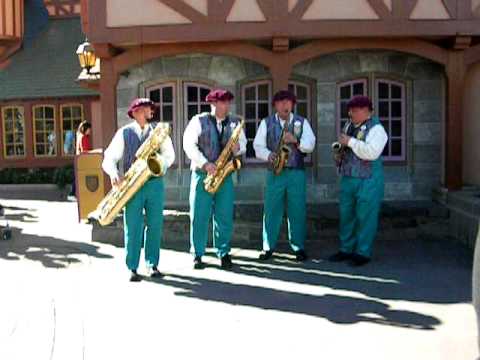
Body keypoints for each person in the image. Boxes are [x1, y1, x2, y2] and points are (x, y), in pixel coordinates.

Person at [102, 98, 175, 281]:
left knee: (155, 225)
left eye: (150, 109)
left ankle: (152, 264)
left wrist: (160, 165)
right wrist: (113, 174)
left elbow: (170, 156)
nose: (149, 112)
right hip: (131, 184)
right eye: (144, 109)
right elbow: (108, 158)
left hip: (154, 183)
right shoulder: (123, 133)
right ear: (134, 112)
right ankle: (132, 267)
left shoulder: (158, 132)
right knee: (132, 226)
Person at [183, 89, 247, 270]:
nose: (226, 106)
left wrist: (237, 148)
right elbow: (188, 144)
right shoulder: (198, 120)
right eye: (223, 103)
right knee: (199, 215)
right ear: (213, 104)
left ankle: (224, 252)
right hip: (203, 174)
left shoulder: (235, 123)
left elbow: (243, 147)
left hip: (225, 175)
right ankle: (197, 253)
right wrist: (204, 164)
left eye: (228, 103)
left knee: (224, 215)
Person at [253, 90, 316, 262]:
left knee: (297, 210)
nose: (285, 105)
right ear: (275, 105)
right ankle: (268, 247)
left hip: (296, 172)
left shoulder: (302, 122)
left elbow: (310, 145)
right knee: (271, 210)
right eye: (281, 102)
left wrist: (296, 140)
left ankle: (298, 247)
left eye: (288, 102)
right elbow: (257, 146)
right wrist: (268, 155)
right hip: (275, 172)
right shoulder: (266, 123)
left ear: (293, 104)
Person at [328, 95, 388, 266]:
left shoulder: (377, 129)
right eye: (350, 110)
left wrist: (350, 142)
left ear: (366, 111)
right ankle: (346, 249)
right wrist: (339, 152)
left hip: (368, 179)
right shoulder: (349, 125)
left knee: (365, 217)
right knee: (346, 215)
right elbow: (347, 147)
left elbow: (371, 152)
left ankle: (363, 252)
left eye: (354, 110)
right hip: (348, 178)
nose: (350, 113)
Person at [70, 121, 92, 197]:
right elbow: (85, 150)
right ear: (85, 128)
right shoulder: (84, 137)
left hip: (78, 160)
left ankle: (73, 193)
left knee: (77, 177)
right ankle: (75, 193)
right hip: (83, 160)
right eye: (89, 129)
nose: (90, 131)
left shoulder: (79, 135)